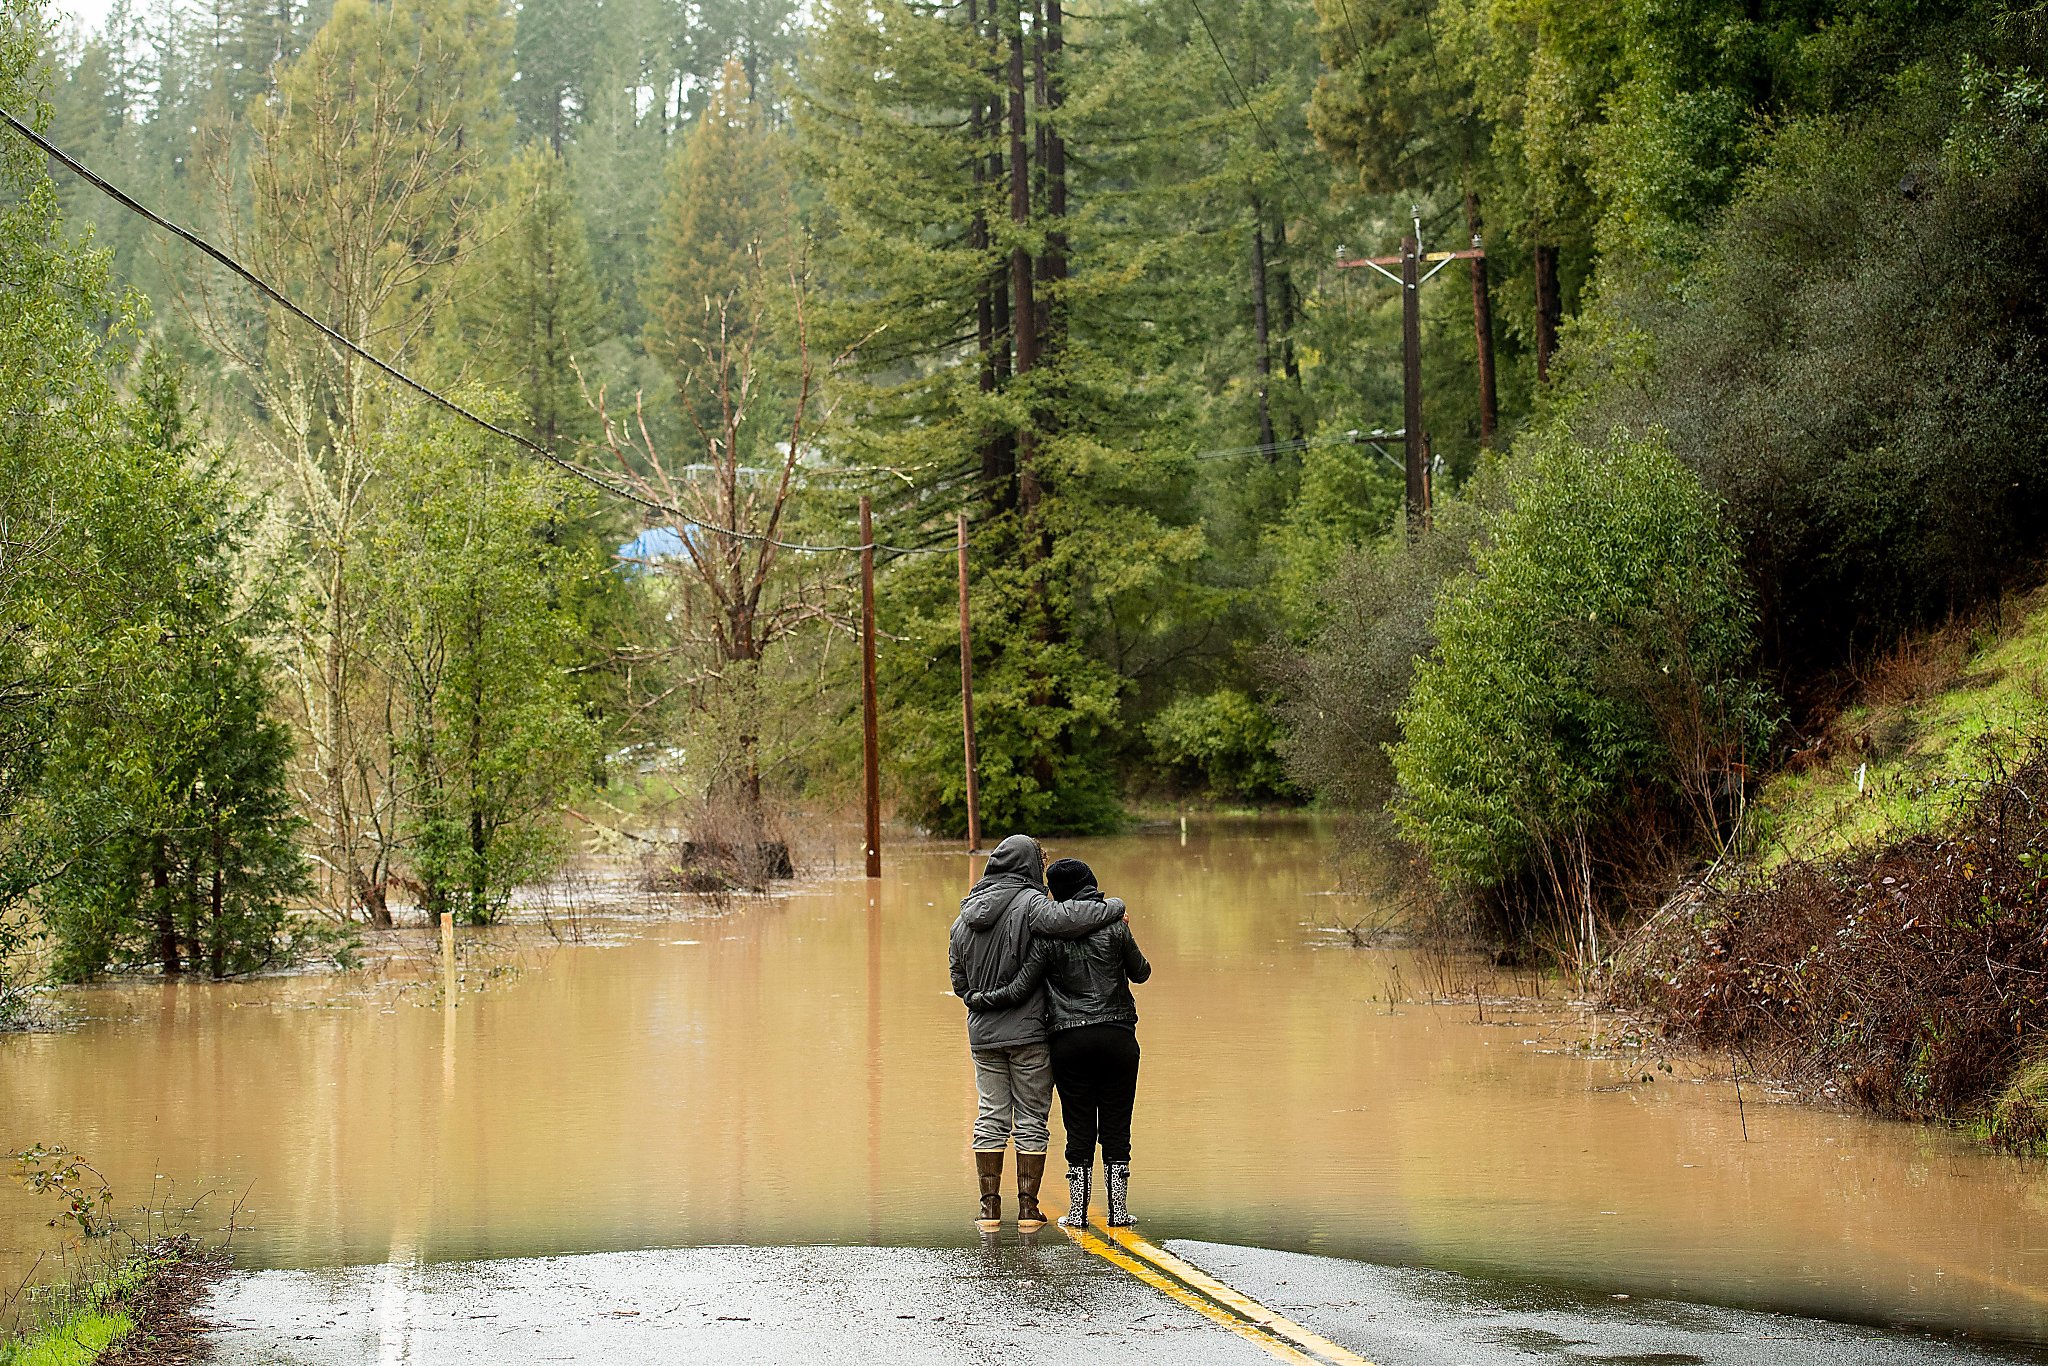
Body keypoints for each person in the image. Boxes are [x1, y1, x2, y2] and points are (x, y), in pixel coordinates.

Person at [950, 836, 1127, 1232]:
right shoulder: (1031, 906)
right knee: (1031, 1118)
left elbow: (958, 982)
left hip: (983, 1035)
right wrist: (1115, 906)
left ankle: (988, 1211)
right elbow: (1075, 919)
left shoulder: (963, 919)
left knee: (990, 1117)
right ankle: (1028, 1211)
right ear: (1028, 865)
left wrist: (980, 999)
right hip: (1030, 1033)